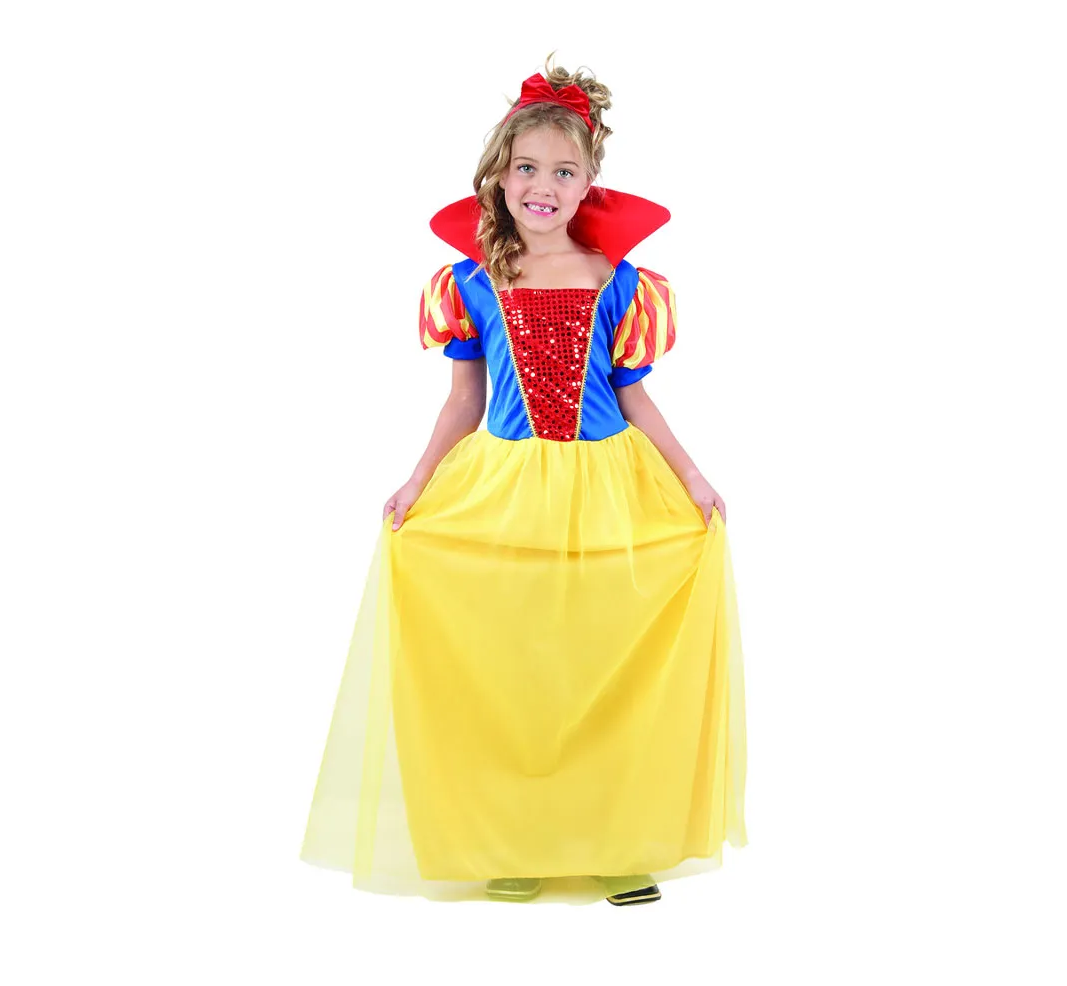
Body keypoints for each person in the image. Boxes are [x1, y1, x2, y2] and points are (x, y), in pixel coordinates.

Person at [300, 56, 748, 906]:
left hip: (608, 490)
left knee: (601, 662)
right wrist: (417, 481)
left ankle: (616, 839)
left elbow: (633, 394)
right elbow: (463, 400)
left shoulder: (618, 283)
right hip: (506, 489)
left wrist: (691, 475)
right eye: (527, 168)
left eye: (564, 172)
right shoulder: (473, 282)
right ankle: (514, 837)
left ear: (589, 185)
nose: (543, 186)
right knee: (517, 667)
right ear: (501, 178)